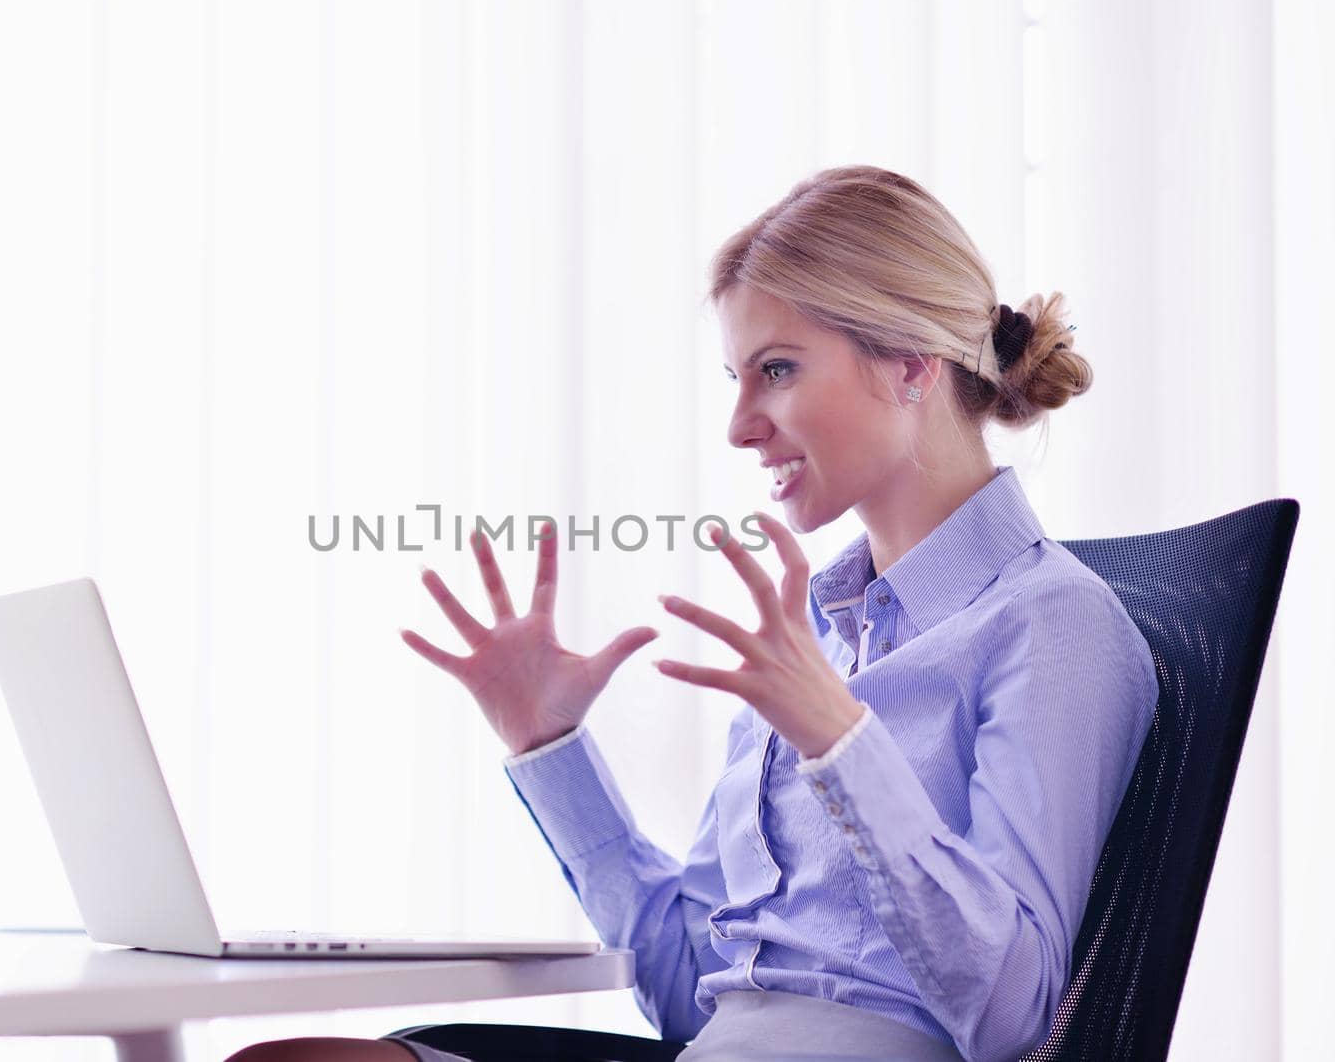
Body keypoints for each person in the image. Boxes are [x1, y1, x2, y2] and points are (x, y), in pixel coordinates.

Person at [224, 165, 1158, 1062]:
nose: (740, 424)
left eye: (778, 370)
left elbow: (1015, 1016)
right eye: (737, 380)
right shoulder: (815, 641)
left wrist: (841, 740)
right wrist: (547, 746)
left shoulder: (1053, 625)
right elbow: (689, 993)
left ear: (911, 364)